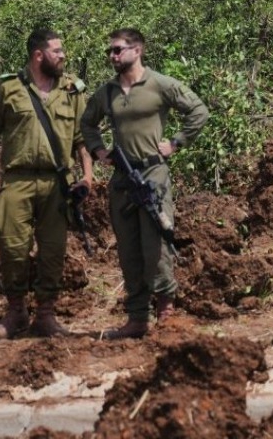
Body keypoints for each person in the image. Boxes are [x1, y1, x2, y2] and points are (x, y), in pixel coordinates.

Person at [80, 29, 209, 339]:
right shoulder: (107, 92)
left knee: (156, 245)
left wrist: (176, 143)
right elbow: (86, 122)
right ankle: (137, 318)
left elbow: (198, 110)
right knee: (128, 249)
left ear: (137, 50)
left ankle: (166, 312)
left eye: (117, 50)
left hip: (153, 175)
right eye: (110, 51)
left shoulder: (159, 84)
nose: (112, 56)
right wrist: (98, 150)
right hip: (123, 178)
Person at [0, 28, 93, 340]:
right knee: (11, 247)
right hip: (16, 180)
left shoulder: (72, 90)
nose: (63, 56)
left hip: (58, 182)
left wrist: (87, 176)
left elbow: (83, 138)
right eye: (57, 51)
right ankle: (16, 312)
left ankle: (46, 315)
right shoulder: (9, 88)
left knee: (53, 250)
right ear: (38, 55)